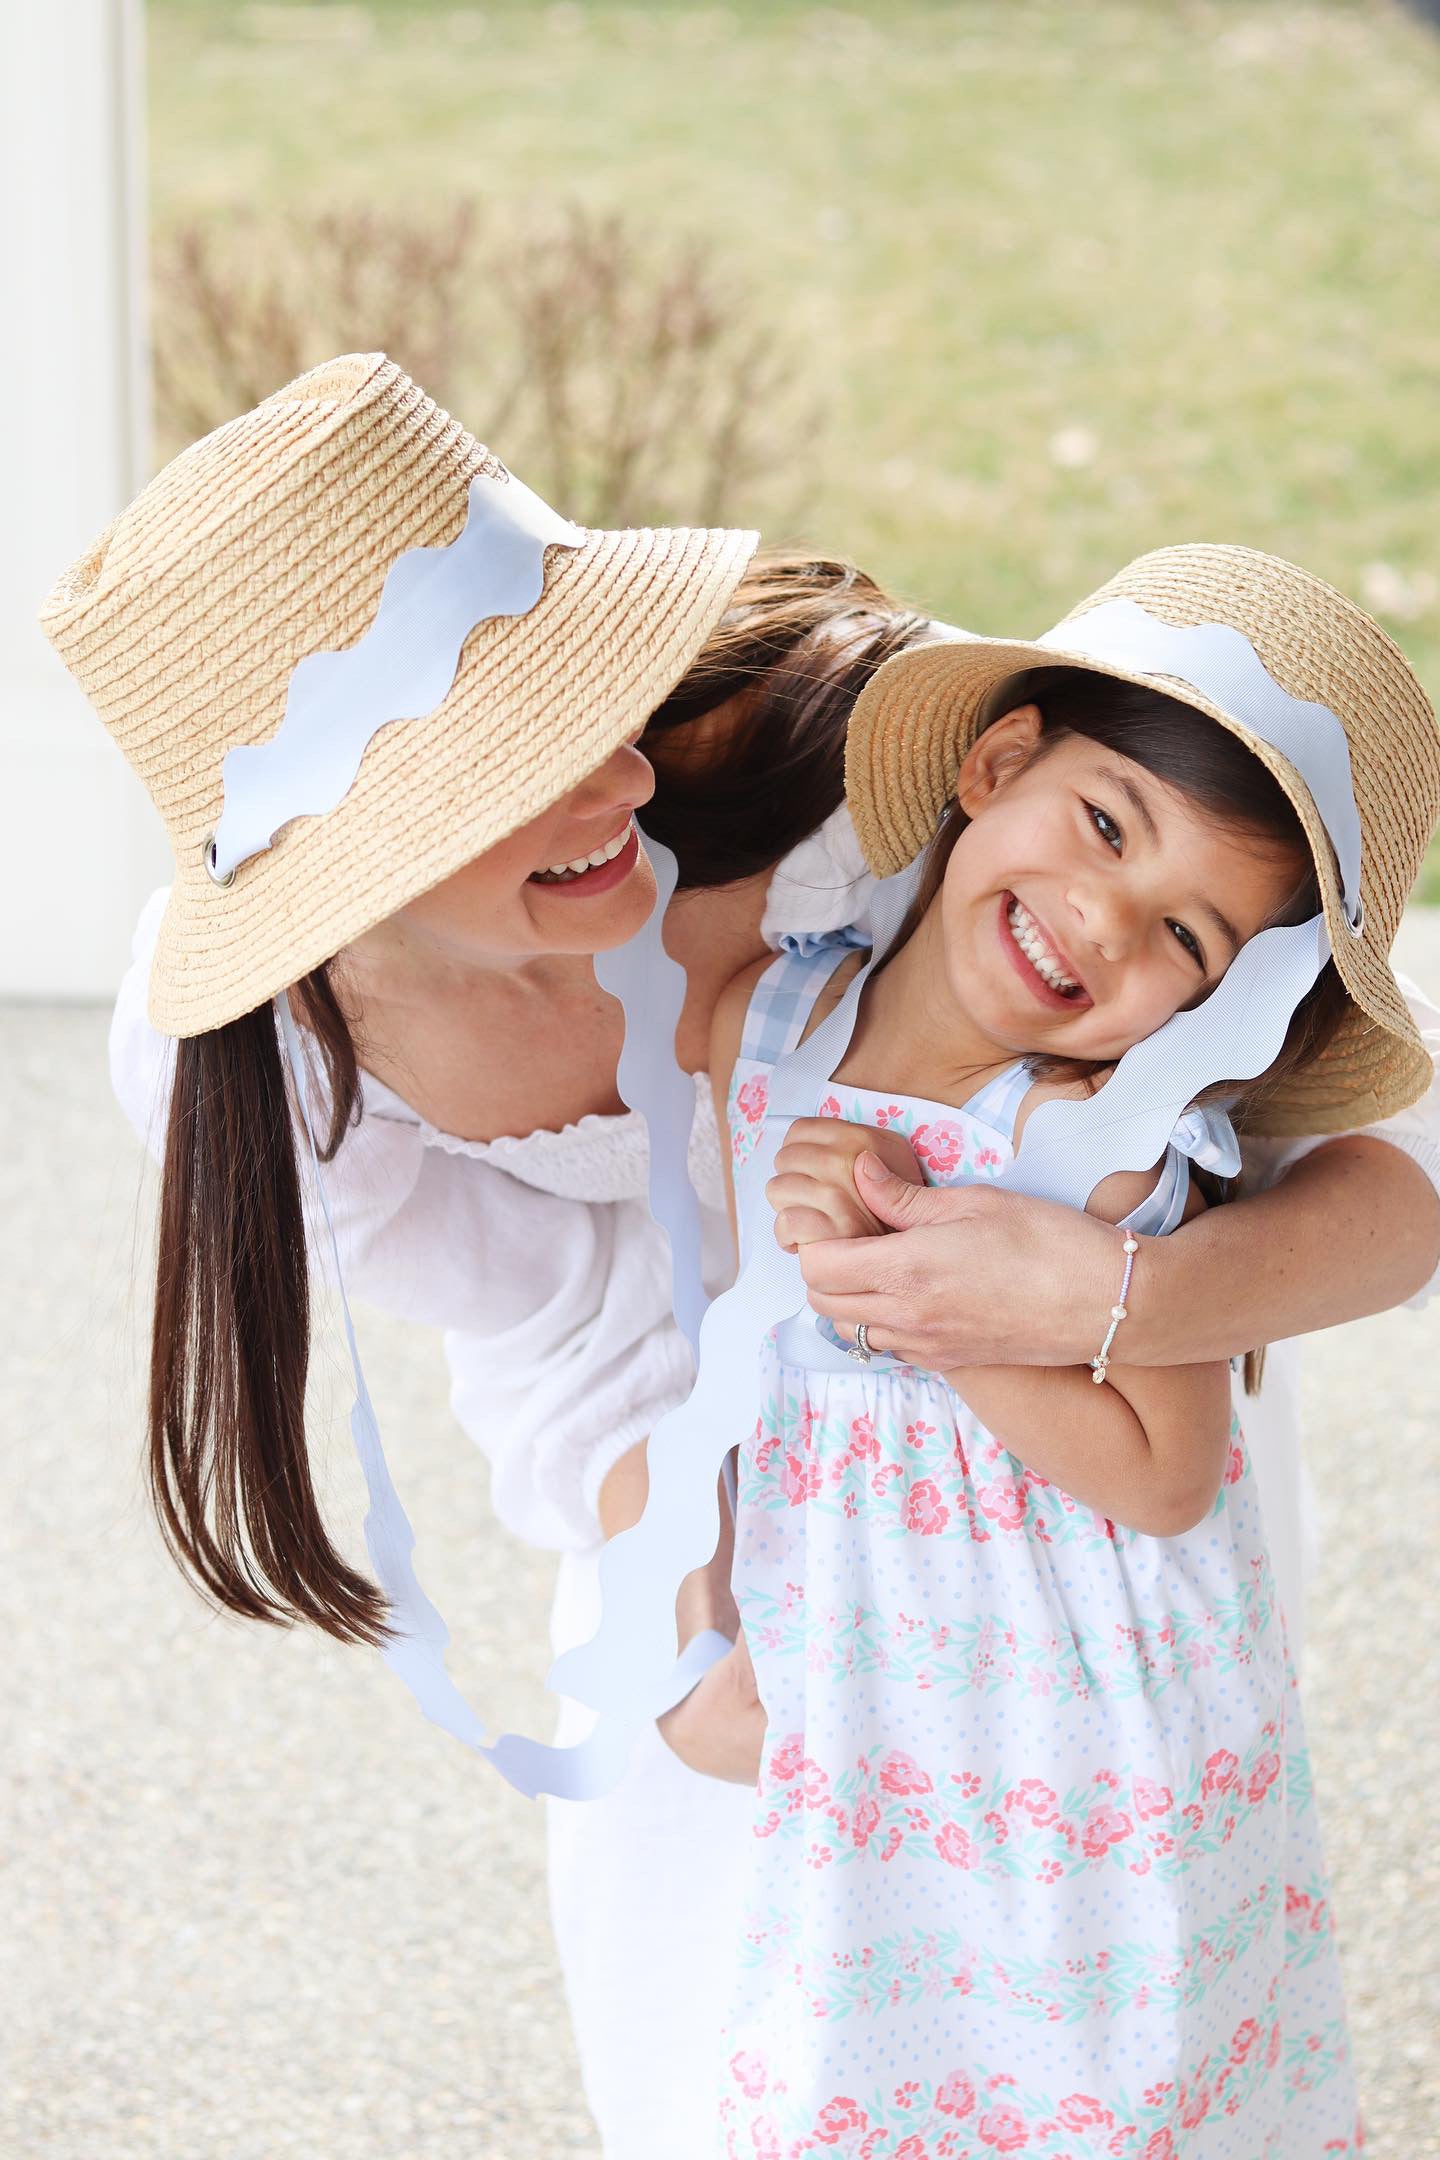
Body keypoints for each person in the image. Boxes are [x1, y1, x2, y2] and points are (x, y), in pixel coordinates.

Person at [59, 354, 1440, 2156]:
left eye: (598, 688)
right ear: (353, 873)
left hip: (1061, 1497)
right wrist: (687, 1607)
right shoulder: (265, 1066)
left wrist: (1093, 1298)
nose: (624, 772)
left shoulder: (885, 772)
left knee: (1115, 2044)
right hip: (726, 1476)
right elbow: (574, 1329)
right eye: (529, 765)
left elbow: (1369, 1170)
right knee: (747, 2043)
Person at [702, 544, 1437, 2155]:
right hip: (873, 1723)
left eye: (1185, 933)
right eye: (1103, 824)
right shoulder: (760, 1036)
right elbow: (717, 1363)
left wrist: (941, 1316)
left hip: (1088, 1745)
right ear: (997, 759)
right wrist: (700, 1622)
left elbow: (1168, 1479)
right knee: (860, 2068)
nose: (1099, 920)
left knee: (1104, 2095)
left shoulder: (1109, 1145)